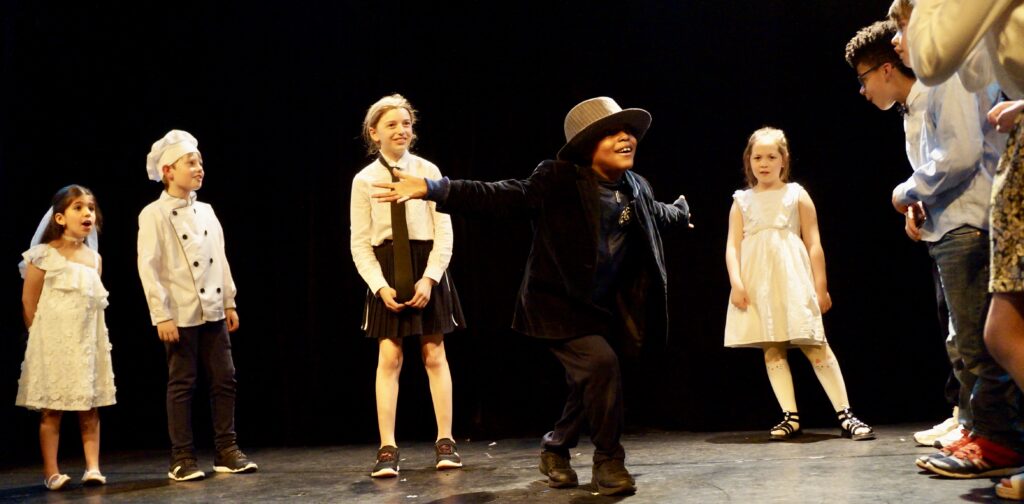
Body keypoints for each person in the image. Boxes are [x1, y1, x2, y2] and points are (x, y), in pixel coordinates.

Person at [373, 96, 692, 496]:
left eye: (628, 131)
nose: (626, 137)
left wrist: (681, 212)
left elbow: (658, 213)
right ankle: (609, 460)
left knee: (590, 380)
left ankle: (555, 448)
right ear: (587, 144)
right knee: (602, 365)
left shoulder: (635, 187)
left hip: (603, 309)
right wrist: (434, 189)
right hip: (557, 306)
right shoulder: (559, 178)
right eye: (612, 132)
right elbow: (502, 195)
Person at [905, 0, 1024, 496]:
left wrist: (906, 191)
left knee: (990, 338)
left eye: (902, 17)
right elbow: (974, 71)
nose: (901, 32)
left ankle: (995, 436)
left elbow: (934, 58)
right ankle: (982, 430)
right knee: (993, 334)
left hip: (965, 219)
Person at [845, 18, 966, 449]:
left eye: (863, 78)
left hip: (965, 226)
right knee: (954, 330)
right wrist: (917, 207)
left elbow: (957, 158)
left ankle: (978, 423)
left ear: (886, 70)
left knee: (971, 334)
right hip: (942, 229)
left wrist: (904, 192)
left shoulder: (938, 92)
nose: (862, 90)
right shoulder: (909, 112)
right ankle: (963, 414)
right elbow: (930, 173)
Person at [723, 127, 874, 442]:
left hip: (792, 277)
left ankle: (845, 414)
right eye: (757, 157)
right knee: (772, 347)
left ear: (783, 160)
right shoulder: (742, 201)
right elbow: (733, 246)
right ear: (748, 161)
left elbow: (814, 243)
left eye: (771, 156)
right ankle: (790, 416)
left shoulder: (796, 194)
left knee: (814, 343)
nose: (764, 163)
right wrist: (736, 283)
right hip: (758, 281)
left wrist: (821, 286)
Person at [350, 94, 466, 478]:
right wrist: (379, 286)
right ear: (374, 133)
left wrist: (431, 277)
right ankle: (387, 446)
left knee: (434, 353)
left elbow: (444, 230)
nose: (401, 130)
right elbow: (360, 241)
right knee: (390, 357)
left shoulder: (427, 170)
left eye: (406, 124)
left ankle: (445, 441)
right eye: (391, 125)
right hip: (387, 268)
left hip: (425, 265)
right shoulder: (364, 180)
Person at [137, 129, 257, 482]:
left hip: (214, 309)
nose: (199, 168)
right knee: (182, 382)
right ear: (168, 171)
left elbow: (220, 257)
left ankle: (226, 449)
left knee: (225, 378)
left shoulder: (206, 210)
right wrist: (161, 314)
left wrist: (230, 300)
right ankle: (182, 457)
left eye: (200, 162)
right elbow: (149, 267)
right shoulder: (153, 214)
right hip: (180, 314)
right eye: (191, 162)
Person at [16, 184, 116, 491]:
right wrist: (43, 341)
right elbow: (29, 302)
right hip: (53, 344)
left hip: (85, 343)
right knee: (52, 407)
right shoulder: (42, 255)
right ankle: (52, 471)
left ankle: (93, 467)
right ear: (60, 218)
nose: (87, 213)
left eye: (90, 207)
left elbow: (93, 304)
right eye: (78, 207)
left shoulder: (93, 259)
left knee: (89, 405)